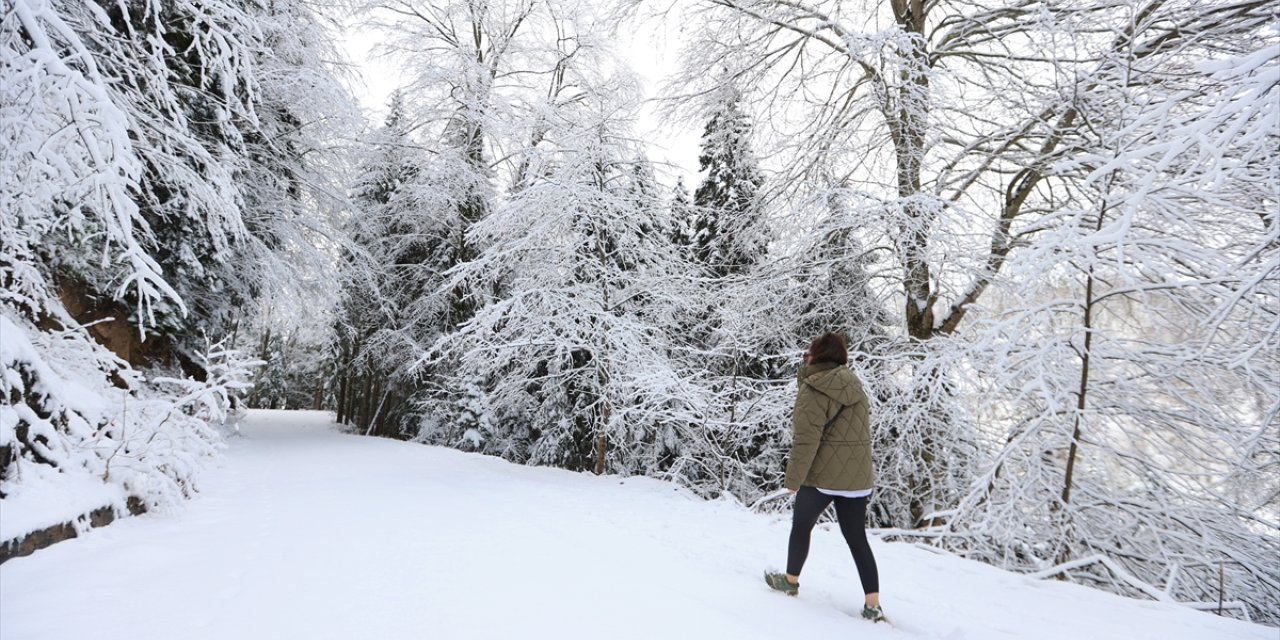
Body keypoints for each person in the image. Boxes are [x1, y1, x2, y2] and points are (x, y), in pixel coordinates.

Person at [764, 332, 884, 623]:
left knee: (802, 526)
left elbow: (806, 439)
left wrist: (793, 479)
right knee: (857, 539)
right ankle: (873, 605)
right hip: (857, 479)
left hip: (820, 478)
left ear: (816, 356)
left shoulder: (813, 388)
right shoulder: (854, 384)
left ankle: (790, 582)